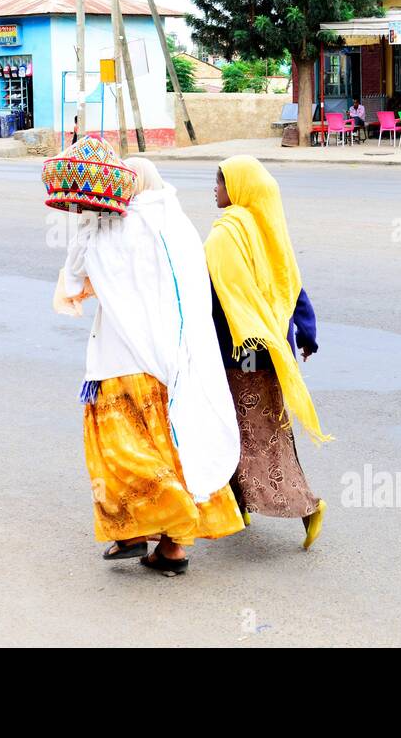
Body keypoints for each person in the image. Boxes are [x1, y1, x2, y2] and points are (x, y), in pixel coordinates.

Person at [56, 156, 243, 575]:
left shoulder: (107, 227)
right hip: (175, 364)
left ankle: (137, 530)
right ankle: (172, 549)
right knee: (177, 446)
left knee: (123, 452)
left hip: (119, 361)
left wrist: (88, 220)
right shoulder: (179, 226)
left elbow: (73, 278)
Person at [205, 155, 331, 550]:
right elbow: (291, 287)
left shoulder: (227, 234)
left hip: (238, 352)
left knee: (252, 435)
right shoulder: (266, 230)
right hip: (269, 348)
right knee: (251, 431)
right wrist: (307, 336)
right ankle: (238, 505)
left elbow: (212, 298)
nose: (215, 189)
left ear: (238, 189)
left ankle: (307, 505)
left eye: (220, 182)